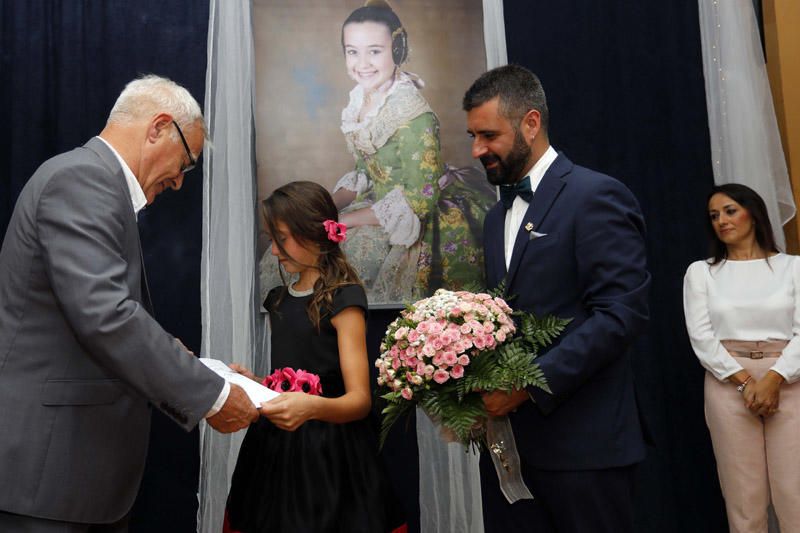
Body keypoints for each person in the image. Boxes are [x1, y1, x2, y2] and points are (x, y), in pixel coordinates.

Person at [0, 75, 259, 531]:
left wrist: (200, 368)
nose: (180, 181)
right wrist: (213, 396)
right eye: (187, 162)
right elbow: (108, 318)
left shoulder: (93, 182)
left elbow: (104, 319)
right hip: (50, 478)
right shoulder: (83, 179)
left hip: (73, 480)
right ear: (159, 127)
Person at [463, 65, 650, 532]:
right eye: (472, 136)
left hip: (586, 451)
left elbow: (620, 316)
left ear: (531, 122)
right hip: (514, 455)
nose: (476, 150)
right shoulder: (493, 219)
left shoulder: (595, 195)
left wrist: (526, 385)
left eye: (488, 135)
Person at [226, 181, 403, 532]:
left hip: (331, 456)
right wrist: (258, 384)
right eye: (272, 239)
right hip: (276, 450)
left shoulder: (344, 299)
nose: (274, 251)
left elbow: (359, 401)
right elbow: (290, 378)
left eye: (282, 239)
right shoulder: (278, 299)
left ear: (314, 235)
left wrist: (310, 407)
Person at [327, 0, 493, 302]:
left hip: (423, 208)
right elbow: (365, 172)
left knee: (354, 256)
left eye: (374, 51)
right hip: (382, 202)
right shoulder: (361, 102)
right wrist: (326, 206)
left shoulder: (414, 115)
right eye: (353, 51)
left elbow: (419, 200)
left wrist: (346, 221)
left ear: (398, 50)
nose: (362, 63)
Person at [683, 183, 800, 532]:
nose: (721, 221)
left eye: (730, 211)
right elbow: (701, 337)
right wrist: (748, 382)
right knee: (743, 498)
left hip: (789, 379)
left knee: (794, 492)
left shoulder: (793, 267)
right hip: (727, 382)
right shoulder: (700, 272)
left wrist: (774, 379)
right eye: (714, 216)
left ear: (754, 213)